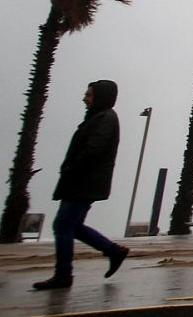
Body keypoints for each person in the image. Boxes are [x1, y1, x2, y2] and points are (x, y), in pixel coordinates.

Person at [33, 80, 130, 290]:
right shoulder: (100, 117)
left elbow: (94, 149)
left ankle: (64, 274)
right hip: (83, 181)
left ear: (100, 96)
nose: (84, 98)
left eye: (89, 94)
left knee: (63, 225)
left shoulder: (105, 118)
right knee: (72, 225)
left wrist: (72, 168)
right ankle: (113, 251)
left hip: (83, 182)